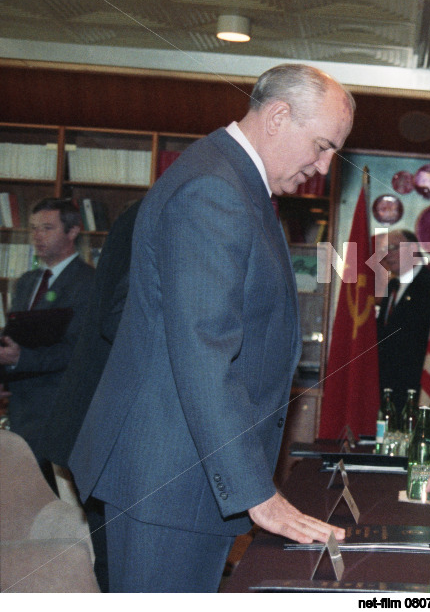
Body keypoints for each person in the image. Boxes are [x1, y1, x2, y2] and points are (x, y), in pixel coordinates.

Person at [68, 64, 354, 592]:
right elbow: (203, 351)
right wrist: (256, 492)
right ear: (278, 115)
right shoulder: (214, 189)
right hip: (168, 476)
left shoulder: (232, 179)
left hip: (182, 472)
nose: (321, 166)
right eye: (321, 146)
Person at [38, 199, 141, 591]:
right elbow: (119, 322)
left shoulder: (144, 211)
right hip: (103, 434)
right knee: (114, 568)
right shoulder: (163, 212)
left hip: (89, 428)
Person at [1, 198, 94, 492]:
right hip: (21, 405)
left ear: (73, 232)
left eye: (47, 228)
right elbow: (16, 336)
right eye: (34, 229)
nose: (38, 236)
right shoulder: (28, 280)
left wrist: (20, 359)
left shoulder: (88, 282)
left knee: (52, 498)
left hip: (56, 406)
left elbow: (76, 350)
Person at [374, 228, 430, 413]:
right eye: (384, 249)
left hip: (415, 383)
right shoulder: (392, 286)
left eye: (393, 247)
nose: (387, 255)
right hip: (388, 381)